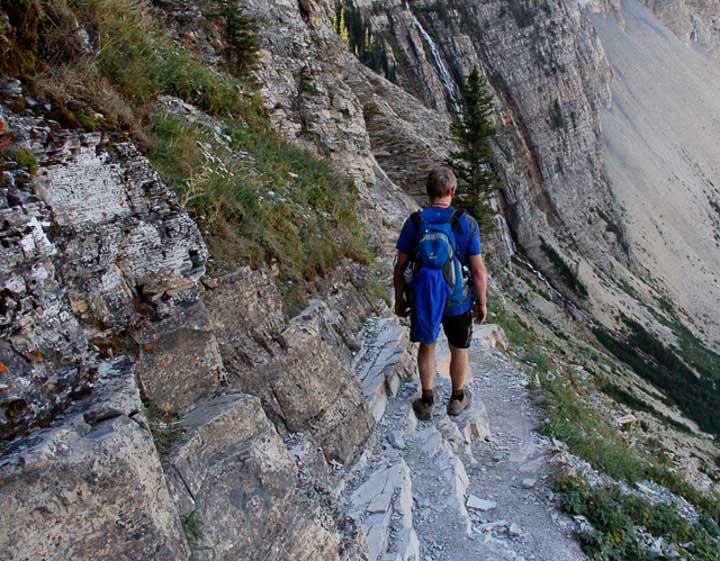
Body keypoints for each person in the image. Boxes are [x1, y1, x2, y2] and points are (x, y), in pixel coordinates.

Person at [393, 167, 488, 420]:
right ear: (453, 192)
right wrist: (481, 302)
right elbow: (478, 270)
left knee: (428, 345)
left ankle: (426, 401)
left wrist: (399, 299)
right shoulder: (466, 223)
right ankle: (457, 399)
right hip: (457, 299)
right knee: (459, 347)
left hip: (424, 297)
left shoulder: (415, 222)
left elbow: (400, 266)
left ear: (428, 192)